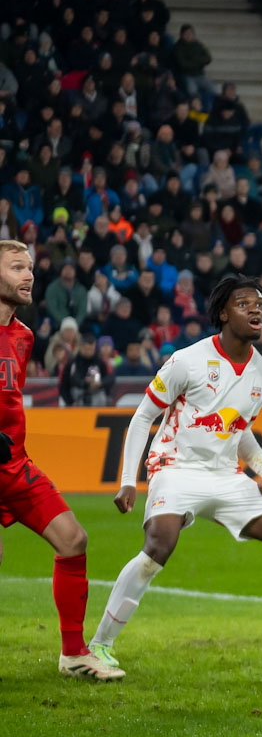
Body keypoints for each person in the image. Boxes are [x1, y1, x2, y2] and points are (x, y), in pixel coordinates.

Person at [88, 275, 262, 670]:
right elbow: (142, 418)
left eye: (260, 303)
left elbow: (239, 432)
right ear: (223, 313)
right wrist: (128, 480)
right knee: (158, 548)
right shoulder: (186, 360)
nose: (256, 308)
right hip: (175, 469)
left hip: (225, 476)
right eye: (244, 304)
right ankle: (99, 644)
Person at [0, 239, 123, 681]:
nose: (28, 275)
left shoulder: (24, 336)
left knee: (73, 540)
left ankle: (74, 653)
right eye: (16, 267)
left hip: (13, 465)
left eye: (29, 267)